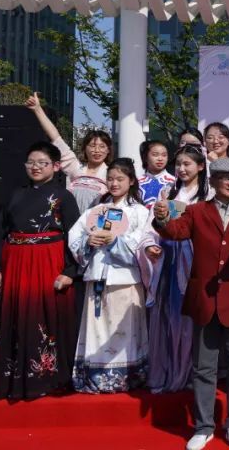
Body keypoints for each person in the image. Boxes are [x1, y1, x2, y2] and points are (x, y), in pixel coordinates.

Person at [154, 157, 229, 450]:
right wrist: (163, 218)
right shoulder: (196, 211)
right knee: (203, 368)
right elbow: (175, 232)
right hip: (205, 301)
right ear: (214, 181)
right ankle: (203, 426)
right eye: (226, 178)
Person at [0, 141, 80, 400]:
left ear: (56, 166)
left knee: (45, 315)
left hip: (49, 263)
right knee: (16, 314)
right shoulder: (15, 194)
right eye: (31, 162)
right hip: (16, 263)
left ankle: (48, 378)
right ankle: (16, 379)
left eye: (42, 163)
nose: (35, 167)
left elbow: (75, 237)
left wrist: (70, 271)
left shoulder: (64, 197)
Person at [68, 158, 154, 393]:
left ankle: (128, 377)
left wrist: (116, 241)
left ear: (131, 181)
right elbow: (75, 234)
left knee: (124, 330)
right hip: (98, 277)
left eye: (120, 179)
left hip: (125, 280)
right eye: (110, 179)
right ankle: (95, 376)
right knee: (97, 330)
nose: (114, 183)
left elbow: (143, 241)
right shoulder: (97, 209)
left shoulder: (139, 212)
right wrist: (88, 241)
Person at [146, 146, 212, 394]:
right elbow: (152, 227)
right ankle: (166, 372)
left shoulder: (208, 195)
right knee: (167, 317)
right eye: (179, 164)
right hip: (168, 259)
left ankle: (191, 374)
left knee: (190, 320)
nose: (182, 169)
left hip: (196, 260)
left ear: (201, 167)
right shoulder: (168, 192)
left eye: (188, 164)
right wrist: (151, 243)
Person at [26, 91, 110, 212]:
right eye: (92, 146)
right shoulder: (76, 168)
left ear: (108, 150)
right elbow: (55, 137)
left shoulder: (110, 174)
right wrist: (38, 110)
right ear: (84, 148)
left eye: (102, 146)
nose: (97, 150)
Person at [139, 140, 175, 207]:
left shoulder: (174, 182)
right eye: (155, 155)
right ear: (145, 157)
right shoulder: (137, 182)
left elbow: (179, 209)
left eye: (164, 155)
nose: (160, 159)